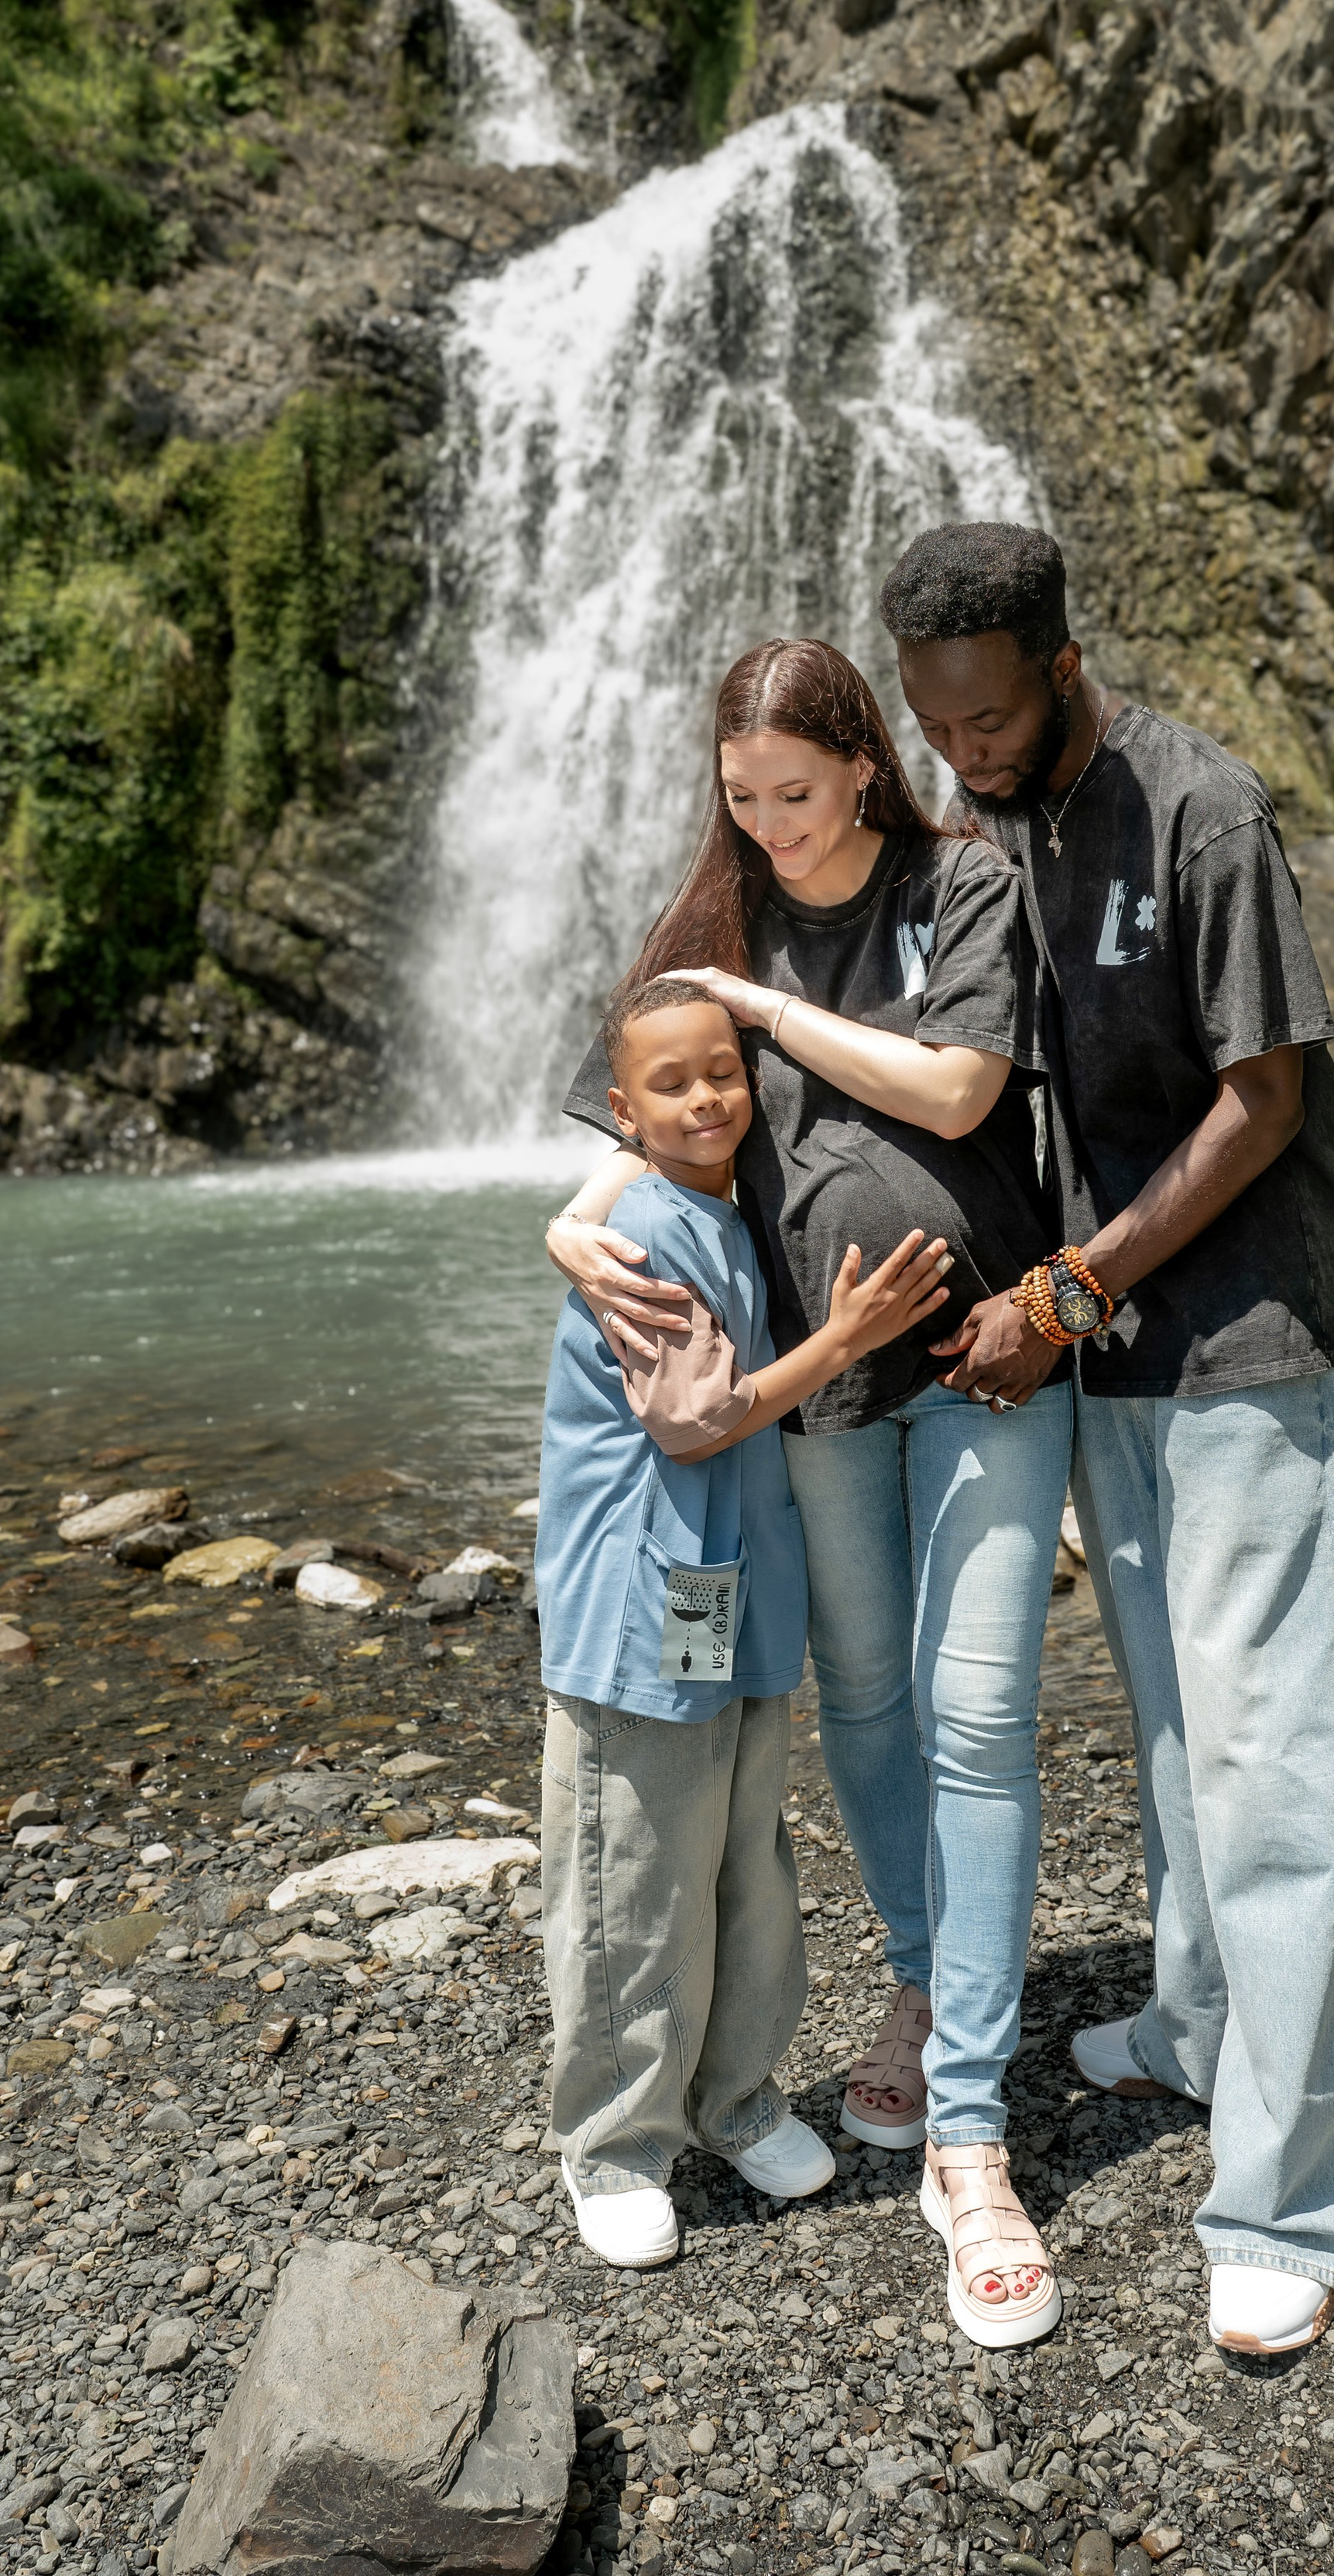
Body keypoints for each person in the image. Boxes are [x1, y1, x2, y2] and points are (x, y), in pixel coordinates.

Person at [876, 521, 1334, 2362]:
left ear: (1059, 660)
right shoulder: (998, 821)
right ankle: (1198, 2027)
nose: (964, 751)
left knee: (1279, 1767)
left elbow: (1262, 1102)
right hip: (1101, 1354)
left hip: (1238, 1340)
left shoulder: (1202, 812)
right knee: (1182, 1742)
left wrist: (1067, 1293)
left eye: (990, 716)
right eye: (934, 725)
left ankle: (1301, 2195)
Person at [546, 637, 1072, 2346]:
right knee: (858, 1699)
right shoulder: (711, 913)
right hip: (822, 1389)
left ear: (863, 761)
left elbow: (961, 1089)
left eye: (794, 788)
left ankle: (970, 2114)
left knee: (979, 1713)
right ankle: (921, 1987)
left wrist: (769, 1007)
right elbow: (634, 1117)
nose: (765, 824)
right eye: (739, 796)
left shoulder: (960, 883)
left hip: (981, 1363)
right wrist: (569, 1214)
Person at [536, 972, 952, 2270]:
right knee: (634, 1868)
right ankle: (613, 2143)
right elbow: (694, 1417)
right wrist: (847, 1339)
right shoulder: (646, 1235)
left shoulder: (721, 1204)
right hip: (642, 1591)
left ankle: (732, 2099)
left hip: (717, 1589)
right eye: (672, 1083)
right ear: (623, 1109)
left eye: (723, 1072)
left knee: (741, 1856)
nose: (707, 1097)